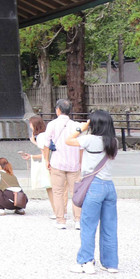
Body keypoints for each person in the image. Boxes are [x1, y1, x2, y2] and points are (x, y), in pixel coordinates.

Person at [65, 109, 119, 274]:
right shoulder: (113, 141)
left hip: (93, 185)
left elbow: (68, 141)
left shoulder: (89, 139)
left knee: (88, 225)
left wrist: (81, 127)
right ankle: (111, 264)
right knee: (109, 226)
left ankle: (86, 261)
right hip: (109, 186)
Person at [44, 98, 83, 231]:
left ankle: (61, 220)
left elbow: (46, 144)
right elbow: (81, 146)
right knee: (76, 192)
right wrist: (80, 162)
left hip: (57, 162)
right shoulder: (76, 125)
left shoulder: (52, 125)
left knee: (58, 192)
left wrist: (46, 159)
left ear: (58, 110)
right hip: (74, 163)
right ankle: (78, 220)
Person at [19, 115, 55, 219]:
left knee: (50, 189)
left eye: (30, 124)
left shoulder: (40, 137)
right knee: (56, 189)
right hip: (53, 161)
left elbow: (44, 154)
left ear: (34, 125)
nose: (30, 126)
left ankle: (57, 212)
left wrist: (34, 142)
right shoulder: (46, 134)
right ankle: (61, 211)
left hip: (48, 164)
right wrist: (31, 156)